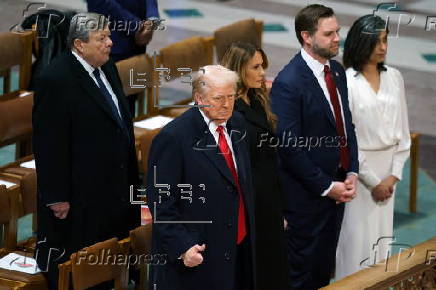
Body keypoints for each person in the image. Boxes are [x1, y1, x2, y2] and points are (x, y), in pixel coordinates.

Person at [32, 13, 139, 289]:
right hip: (80, 195)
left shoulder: (107, 66)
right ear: (79, 45)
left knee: (110, 258)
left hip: (113, 185)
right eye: (101, 38)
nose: (110, 43)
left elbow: (119, 120)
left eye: (109, 36)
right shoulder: (55, 79)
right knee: (83, 266)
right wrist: (56, 197)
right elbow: (49, 143)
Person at [270, 4, 359, 289]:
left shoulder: (336, 71)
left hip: (335, 191)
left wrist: (352, 171)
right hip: (306, 199)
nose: (337, 39)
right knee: (301, 277)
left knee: (323, 272)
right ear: (306, 37)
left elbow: (346, 125)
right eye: (329, 33)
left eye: (337, 32)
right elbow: (289, 147)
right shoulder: (289, 82)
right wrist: (325, 186)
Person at [146, 65, 256, 290]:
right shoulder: (173, 138)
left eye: (230, 97)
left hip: (238, 248)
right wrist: (183, 246)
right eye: (217, 98)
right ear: (198, 98)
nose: (226, 105)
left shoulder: (238, 124)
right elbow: (160, 204)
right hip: (197, 257)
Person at [335, 15, 411, 279]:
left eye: (385, 40)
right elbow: (346, 140)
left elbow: (403, 133)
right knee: (355, 245)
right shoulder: (347, 82)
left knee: (382, 244)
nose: (383, 47)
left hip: (388, 175)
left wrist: (392, 177)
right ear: (361, 41)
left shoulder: (395, 77)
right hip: (360, 176)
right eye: (377, 40)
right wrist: (373, 181)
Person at [221, 42, 289, 290]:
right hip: (248, 205)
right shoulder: (229, 111)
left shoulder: (257, 100)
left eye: (263, 66)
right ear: (239, 70)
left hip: (268, 198)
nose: (263, 73)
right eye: (256, 67)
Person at [87, 0, 160, 115]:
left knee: (129, 108)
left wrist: (151, 19)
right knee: (107, 107)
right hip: (111, 45)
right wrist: (136, 27)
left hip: (137, 45)